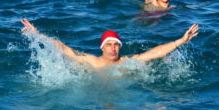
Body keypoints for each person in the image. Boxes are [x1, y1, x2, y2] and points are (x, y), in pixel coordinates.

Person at [20, 19, 199, 69]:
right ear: (102, 47)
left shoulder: (128, 61)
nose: (113, 48)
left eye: (116, 45)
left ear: (120, 47)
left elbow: (154, 53)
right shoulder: (92, 61)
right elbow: (64, 49)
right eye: (109, 45)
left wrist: (181, 41)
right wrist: (38, 36)